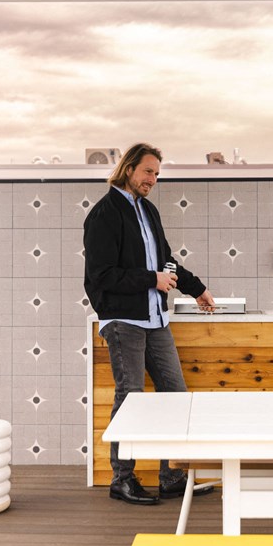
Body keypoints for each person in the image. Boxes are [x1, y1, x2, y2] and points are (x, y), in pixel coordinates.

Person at [84, 142, 218, 505]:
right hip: (123, 320)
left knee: (175, 396)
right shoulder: (104, 214)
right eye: (148, 171)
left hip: (155, 319)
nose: (153, 179)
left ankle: (171, 476)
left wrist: (197, 289)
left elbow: (166, 263)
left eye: (157, 174)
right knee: (131, 398)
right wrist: (150, 280)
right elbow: (101, 275)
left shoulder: (148, 212)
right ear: (129, 169)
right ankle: (121, 479)